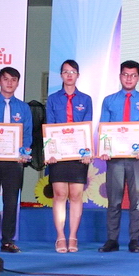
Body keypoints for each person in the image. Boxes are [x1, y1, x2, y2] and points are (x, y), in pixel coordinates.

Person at [98, 60, 139, 253]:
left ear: (138, 77)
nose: (129, 78)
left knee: (137, 201)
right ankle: (112, 240)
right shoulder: (109, 101)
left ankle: (134, 241)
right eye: (125, 74)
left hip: (137, 159)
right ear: (120, 76)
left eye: (133, 75)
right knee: (114, 201)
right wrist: (105, 148)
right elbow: (104, 128)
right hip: (115, 159)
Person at [45, 60, 93, 254]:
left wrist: (87, 152)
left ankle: (73, 236)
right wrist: (50, 152)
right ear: (61, 75)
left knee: (76, 195)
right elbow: (50, 125)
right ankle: (60, 237)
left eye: (73, 72)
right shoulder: (53, 99)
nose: (69, 75)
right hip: (58, 154)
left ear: (78, 75)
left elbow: (87, 126)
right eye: (66, 72)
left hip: (78, 155)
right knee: (59, 194)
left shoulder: (86, 99)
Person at [0, 67, 32, 253]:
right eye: (6, 79)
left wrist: (24, 152)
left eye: (13, 79)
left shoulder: (23, 108)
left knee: (11, 201)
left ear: (18, 83)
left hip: (14, 162)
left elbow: (27, 134)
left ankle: (7, 241)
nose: (9, 83)